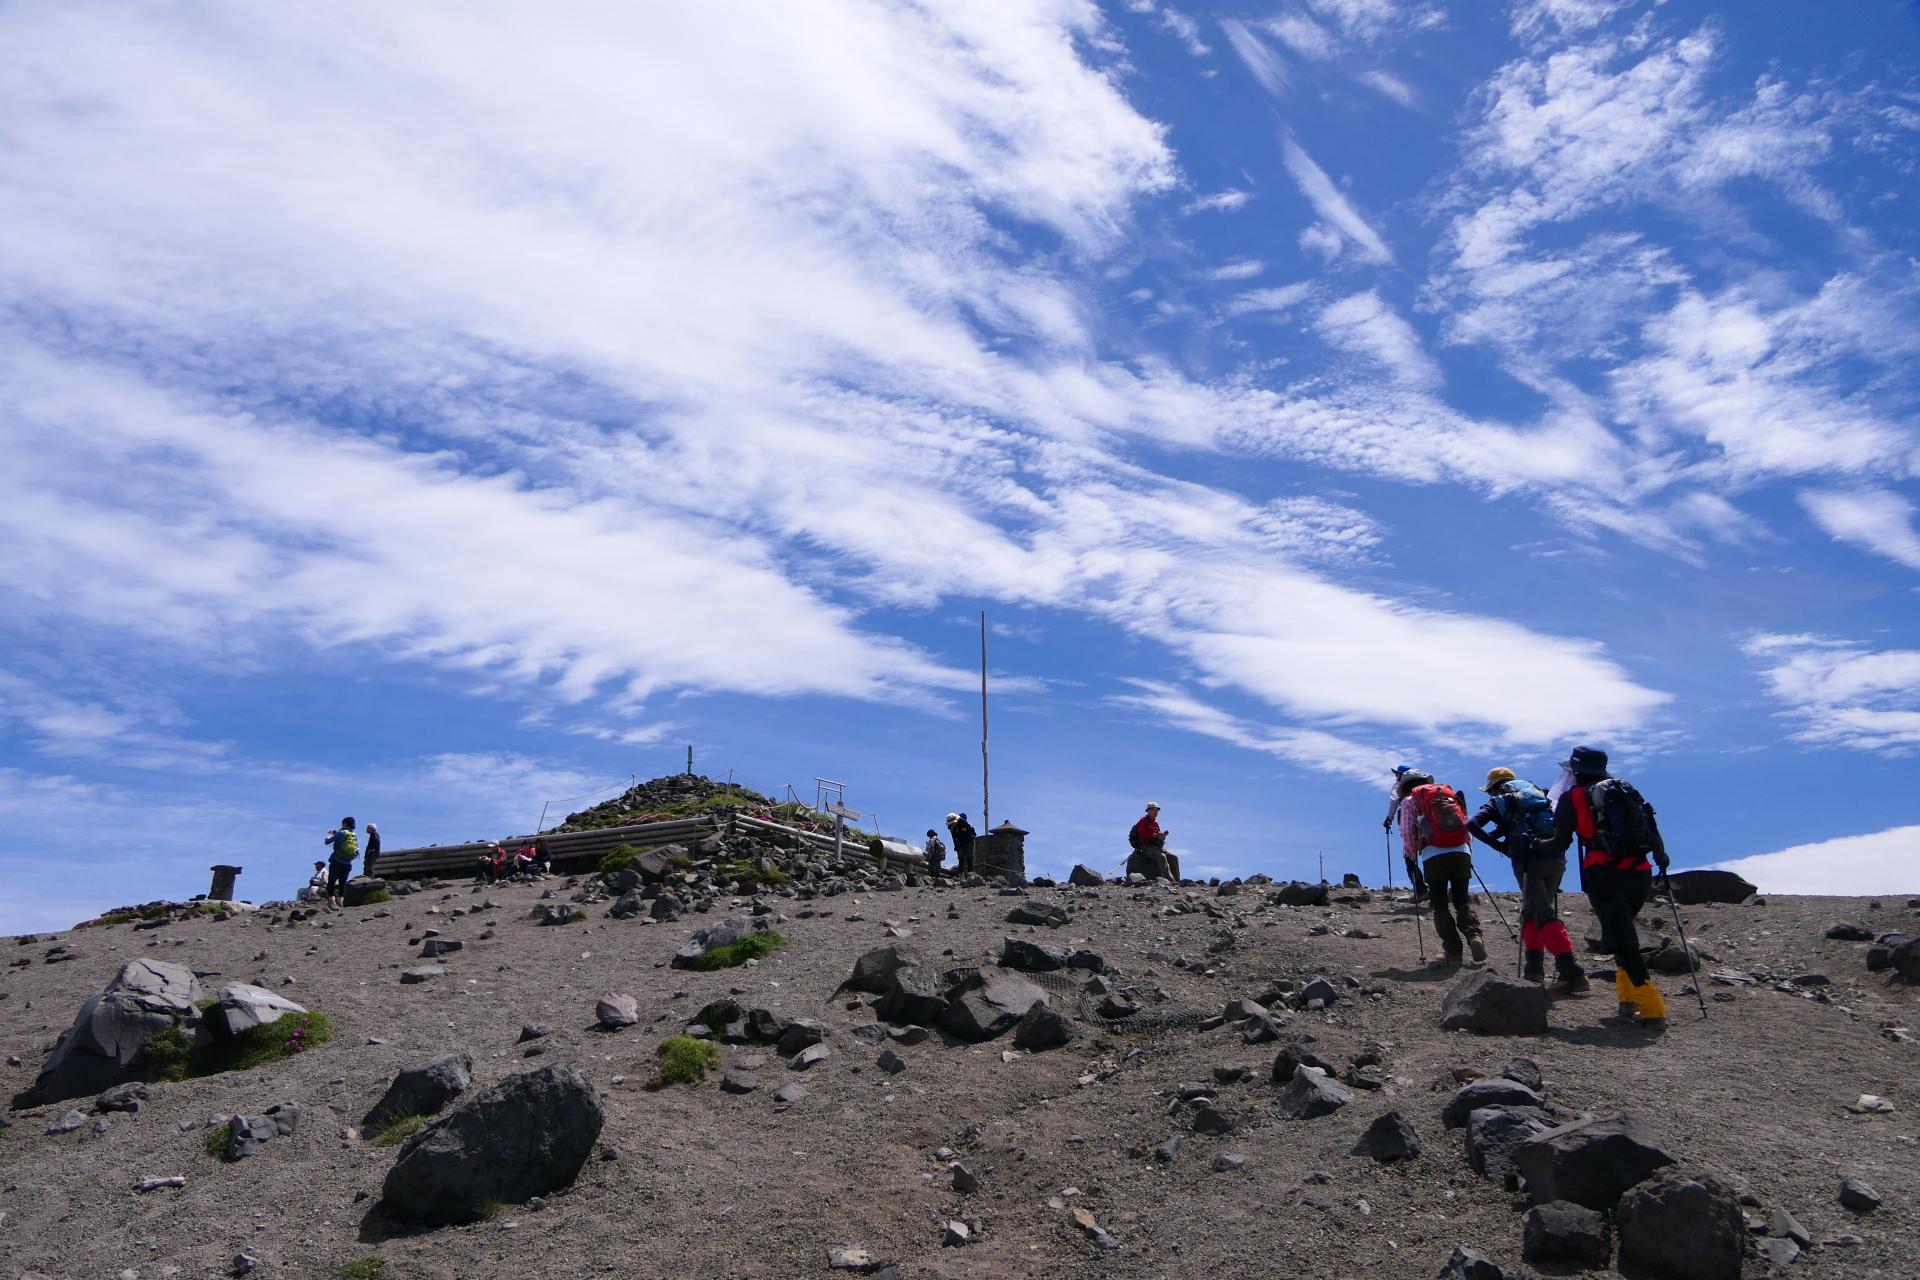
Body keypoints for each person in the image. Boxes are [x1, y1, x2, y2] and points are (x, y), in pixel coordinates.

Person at [1532, 745, 1668, 1024]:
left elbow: (1560, 842)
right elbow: (1651, 828)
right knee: (1622, 935)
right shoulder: (1625, 789)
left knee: (1624, 942)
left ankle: (1652, 1008)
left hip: (1604, 873)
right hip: (1640, 872)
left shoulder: (1575, 797)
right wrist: (1660, 858)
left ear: (1575, 770)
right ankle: (1627, 1000)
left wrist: (1533, 844)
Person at [1470, 767, 1589, 994]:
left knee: (1542, 913)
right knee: (1531, 911)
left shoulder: (1500, 801)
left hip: (1527, 861)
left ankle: (1573, 973)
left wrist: (1500, 846)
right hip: (1555, 856)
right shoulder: (1538, 793)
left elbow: (1472, 824)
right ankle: (1533, 972)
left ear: (1494, 787)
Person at [1398, 781, 1486, 966]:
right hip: (1461, 850)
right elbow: (1465, 822)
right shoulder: (1446, 794)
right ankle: (1474, 935)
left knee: (1440, 904)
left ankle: (1453, 952)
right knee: (1462, 899)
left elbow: (1407, 831)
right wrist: (1467, 850)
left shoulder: (1409, 800)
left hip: (1433, 853)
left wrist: (1411, 854)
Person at [1388, 769, 1433, 900]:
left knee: (1410, 861)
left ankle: (1421, 892)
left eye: (1397, 774)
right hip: (1441, 835)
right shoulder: (1433, 793)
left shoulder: (1408, 799)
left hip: (1420, 836)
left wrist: (1410, 851)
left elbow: (1407, 829)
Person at [1127, 802, 1174, 881]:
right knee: (1162, 857)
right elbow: (1143, 835)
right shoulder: (1142, 821)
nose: (1156, 812)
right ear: (1148, 811)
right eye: (1153, 810)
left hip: (1156, 847)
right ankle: (1168, 880)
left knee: (1173, 857)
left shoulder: (1155, 823)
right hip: (1146, 847)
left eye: (1157, 811)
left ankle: (1177, 880)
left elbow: (1157, 838)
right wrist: (1155, 835)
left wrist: (1162, 837)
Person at [323, 817, 358, 908]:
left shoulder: (341, 833)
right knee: (343, 882)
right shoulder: (353, 834)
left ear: (345, 824)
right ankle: (341, 901)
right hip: (347, 863)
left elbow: (327, 842)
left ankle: (332, 900)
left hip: (337, 861)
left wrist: (330, 834)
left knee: (332, 881)